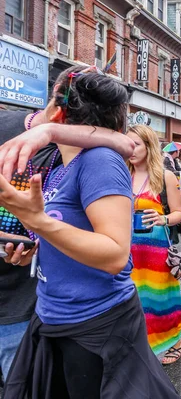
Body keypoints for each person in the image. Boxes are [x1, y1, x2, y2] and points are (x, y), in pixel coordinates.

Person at [0, 66, 179, 398]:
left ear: (58, 110)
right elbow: (66, 233)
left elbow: (113, 254)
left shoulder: (98, 161)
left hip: (94, 325)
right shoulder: (57, 161)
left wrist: (38, 221)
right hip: (53, 316)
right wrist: (31, 250)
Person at [0, 101, 134, 384]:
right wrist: (35, 244)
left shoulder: (91, 159)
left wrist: (48, 131)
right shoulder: (62, 158)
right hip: (47, 306)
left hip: (44, 309)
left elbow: (114, 254)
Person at [126, 125, 181, 364]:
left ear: (149, 146)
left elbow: (179, 214)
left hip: (156, 250)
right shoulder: (121, 173)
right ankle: (140, 342)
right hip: (127, 250)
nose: (131, 149)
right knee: (134, 298)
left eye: (136, 144)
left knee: (161, 299)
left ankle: (175, 339)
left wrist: (163, 218)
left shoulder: (165, 176)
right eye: (128, 144)